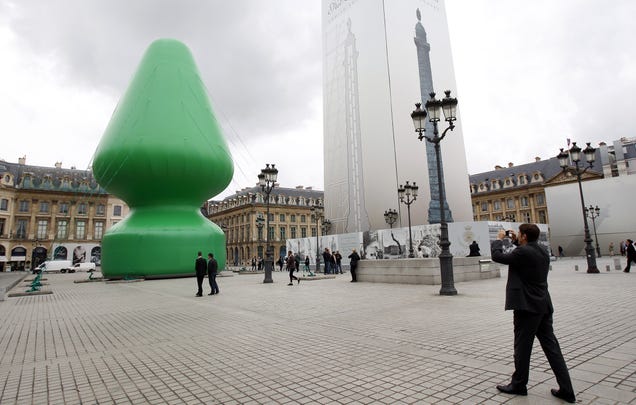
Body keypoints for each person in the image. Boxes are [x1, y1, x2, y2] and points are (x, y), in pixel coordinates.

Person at [491, 224, 576, 403]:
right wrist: (515, 241)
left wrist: (499, 240)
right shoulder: (542, 250)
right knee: (552, 349)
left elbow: (498, 256)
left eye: (519, 235)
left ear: (524, 236)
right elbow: (525, 253)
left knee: (522, 347)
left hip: (527, 307)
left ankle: (519, 384)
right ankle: (567, 389)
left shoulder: (523, 253)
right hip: (543, 304)